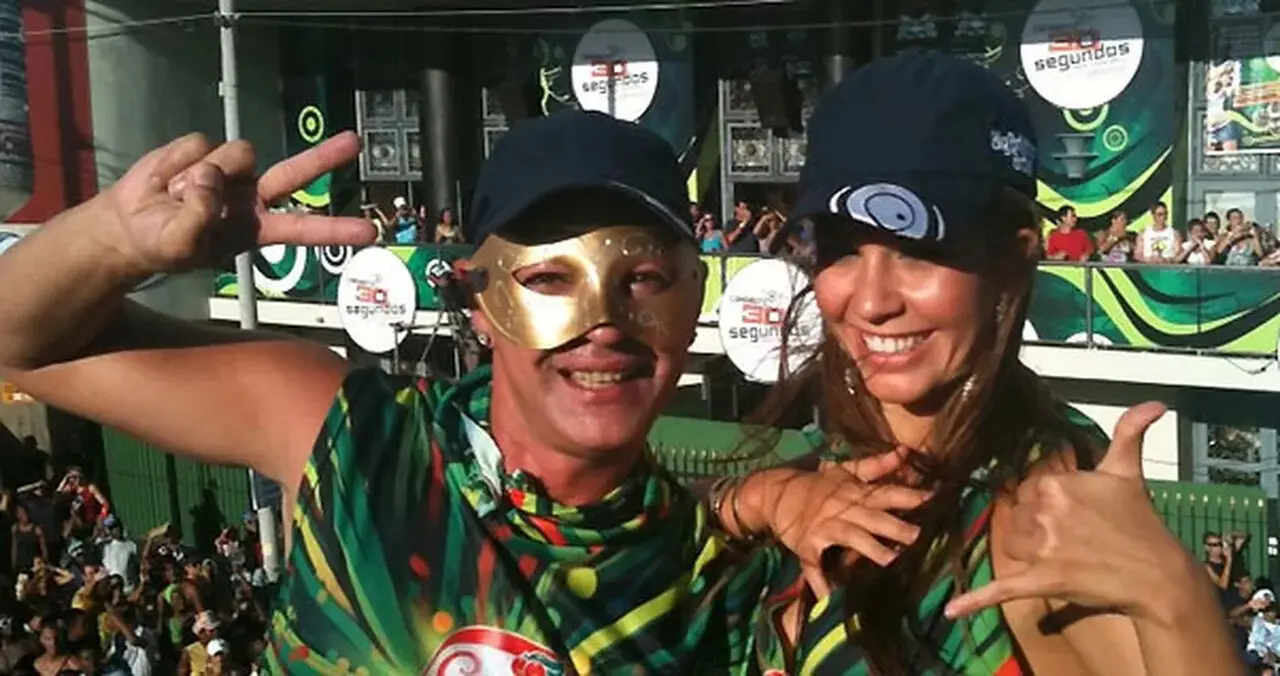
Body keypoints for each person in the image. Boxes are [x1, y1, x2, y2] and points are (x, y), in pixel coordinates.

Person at [0, 115, 903, 672]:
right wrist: (115, 243)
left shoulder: (716, 585)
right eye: (549, 278)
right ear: (477, 303)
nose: (605, 325)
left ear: (693, 300)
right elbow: (19, 341)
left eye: (644, 280)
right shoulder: (357, 442)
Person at [712, 51, 1241, 674]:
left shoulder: (1042, 521)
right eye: (842, 249)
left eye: (918, 250)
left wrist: (1175, 601)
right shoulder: (835, 464)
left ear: (1012, 261)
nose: (873, 302)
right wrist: (761, 497)